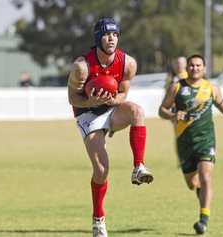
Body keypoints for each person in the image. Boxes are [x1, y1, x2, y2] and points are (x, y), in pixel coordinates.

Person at [67, 17, 154, 237]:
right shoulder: (81, 66)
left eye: (115, 34)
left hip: (111, 110)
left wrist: (115, 101)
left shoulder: (128, 63)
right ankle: (98, 220)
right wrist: (90, 102)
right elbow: (72, 98)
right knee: (102, 170)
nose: (112, 38)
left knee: (137, 111)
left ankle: (139, 166)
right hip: (88, 114)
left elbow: (124, 92)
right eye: (107, 34)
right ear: (98, 38)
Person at [158, 54, 223, 235]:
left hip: (206, 141)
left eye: (198, 65)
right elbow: (162, 110)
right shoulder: (176, 87)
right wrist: (173, 116)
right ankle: (202, 193)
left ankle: (203, 221)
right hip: (184, 142)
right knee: (192, 183)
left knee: (206, 176)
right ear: (187, 68)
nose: (195, 68)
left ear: (204, 68)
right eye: (191, 65)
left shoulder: (211, 88)